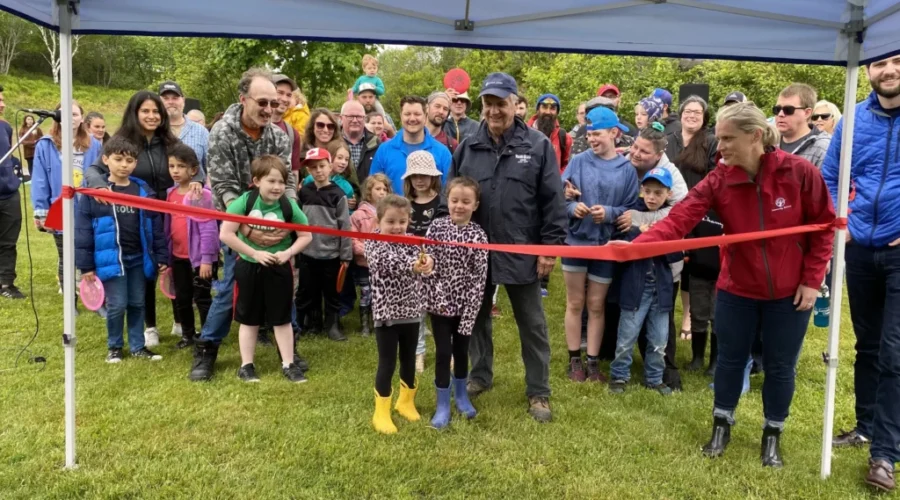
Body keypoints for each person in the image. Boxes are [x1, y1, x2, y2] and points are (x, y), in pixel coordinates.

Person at [631, 102, 834, 467]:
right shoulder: (720, 178)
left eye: (727, 139)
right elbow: (679, 219)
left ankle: (772, 434)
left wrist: (811, 280)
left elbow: (823, 229)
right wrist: (636, 247)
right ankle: (721, 425)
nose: (719, 146)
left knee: (780, 366)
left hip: (789, 293)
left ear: (755, 136)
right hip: (737, 289)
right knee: (729, 359)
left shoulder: (799, 172)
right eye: (719, 138)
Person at [451, 72, 567, 422]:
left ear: (516, 104)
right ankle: (480, 375)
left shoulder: (538, 145)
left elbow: (553, 200)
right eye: (488, 103)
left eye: (500, 103)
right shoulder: (468, 146)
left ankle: (539, 391)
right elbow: (452, 197)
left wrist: (549, 248)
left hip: (522, 249)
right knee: (475, 318)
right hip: (475, 252)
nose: (494, 110)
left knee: (532, 323)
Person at [822, 54, 900, 492]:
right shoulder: (853, 119)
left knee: (894, 351)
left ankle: (885, 454)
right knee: (867, 345)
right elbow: (831, 177)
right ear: (867, 71)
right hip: (860, 250)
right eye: (879, 63)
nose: (888, 70)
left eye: (897, 61)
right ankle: (867, 426)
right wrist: (843, 220)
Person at [190, 67, 294, 382]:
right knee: (230, 290)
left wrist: (287, 223)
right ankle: (207, 348)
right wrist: (249, 229)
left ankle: (289, 354)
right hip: (237, 225)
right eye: (262, 102)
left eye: (273, 103)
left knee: (282, 286)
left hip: (276, 226)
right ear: (243, 99)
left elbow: (288, 183)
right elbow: (224, 188)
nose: (269, 109)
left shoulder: (279, 135)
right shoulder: (222, 132)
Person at [85, 90, 199, 346]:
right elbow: (94, 169)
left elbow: (193, 165)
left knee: (172, 265)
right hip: (139, 217)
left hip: (170, 213)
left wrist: (198, 181)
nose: (151, 116)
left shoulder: (170, 141)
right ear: (134, 113)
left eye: (156, 111)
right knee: (146, 269)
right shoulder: (122, 142)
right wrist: (98, 185)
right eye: (145, 111)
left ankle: (180, 322)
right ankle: (150, 327)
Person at [75, 136, 169, 363]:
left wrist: (161, 255)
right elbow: (83, 231)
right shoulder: (95, 193)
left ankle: (138, 346)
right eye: (118, 159)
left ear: (135, 163)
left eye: (129, 160)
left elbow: (155, 226)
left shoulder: (143, 191)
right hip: (111, 260)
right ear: (106, 160)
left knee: (137, 303)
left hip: (138, 258)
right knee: (117, 305)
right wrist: (86, 266)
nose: (124, 165)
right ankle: (115, 346)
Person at [560, 106, 637, 383]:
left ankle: (593, 362)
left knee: (596, 304)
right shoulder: (578, 161)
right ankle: (574, 360)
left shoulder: (627, 169)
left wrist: (609, 213)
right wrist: (573, 208)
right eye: (589, 135)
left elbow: (630, 208)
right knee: (575, 301)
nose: (592, 139)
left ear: (614, 133)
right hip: (576, 242)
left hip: (606, 245)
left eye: (597, 134)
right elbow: (561, 195)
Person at [221, 155, 312, 383]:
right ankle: (246, 366)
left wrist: (288, 252)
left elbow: (306, 235)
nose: (277, 187)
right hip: (249, 266)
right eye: (271, 181)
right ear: (256, 181)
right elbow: (226, 234)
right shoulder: (244, 202)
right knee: (249, 318)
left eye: (281, 182)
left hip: (279, 268)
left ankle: (289, 363)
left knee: (282, 318)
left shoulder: (288, 206)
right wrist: (254, 253)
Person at [366, 194, 434, 434]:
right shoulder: (373, 242)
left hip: (412, 311)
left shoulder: (413, 241)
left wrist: (427, 262)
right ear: (379, 221)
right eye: (391, 221)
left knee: (408, 359)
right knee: (387, 362)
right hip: (387, 313)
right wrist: (413, 266)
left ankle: (405, 402)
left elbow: (423, 260)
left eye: (402, 222)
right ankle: (381, 411)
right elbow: (386, 262)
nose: (397, 227)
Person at [609, 167, 681, 395]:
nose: (652, 197)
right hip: (635, 288)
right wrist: (639, 234)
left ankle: (655, 378)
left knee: (659, 340)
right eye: (648, 191)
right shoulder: (630, 216)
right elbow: (618, 248)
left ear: (668, 194)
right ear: (641, 190)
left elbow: (676, 255)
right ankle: (619, 376)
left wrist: (658, 238)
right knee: (626, 336)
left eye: (658, 193)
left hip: (661, 289)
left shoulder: (671, 221)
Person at [424, 176, 489, 429]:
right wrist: (438, 296)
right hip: (439, 305)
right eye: (454, 200)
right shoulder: (436, 228)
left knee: (462, 351)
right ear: (447, 201)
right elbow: (429, 263)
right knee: (443, 352)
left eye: (466, 201)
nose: (459, 206)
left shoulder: (479, 235)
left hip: (466, 307)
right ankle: (442, 403)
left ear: (475, 205)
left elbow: (479, 278)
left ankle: (461, 395)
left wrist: (470, 311)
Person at [31, 101, 102, 293]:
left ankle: (89, 291)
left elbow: (100, 174)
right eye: (64, 114)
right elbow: (39, 179)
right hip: (60, 207)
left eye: (75, 114)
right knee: (65, 255)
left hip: (86, 208)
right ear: (56, 117)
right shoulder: (45, 144)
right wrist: (41, 211)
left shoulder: (94, 144)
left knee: (87, 250)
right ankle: (69, 297)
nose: (70, 118)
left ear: (82, 119)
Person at [665, 95, 718, 343]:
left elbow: (714, 176)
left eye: (697, 112)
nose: (692, 115)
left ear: (704, 117)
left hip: (698, 212)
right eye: (688, 111)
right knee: (672, 261)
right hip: (669, 209)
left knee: (692, 267)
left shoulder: (710, 142)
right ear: (681, 114)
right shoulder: (669, 139)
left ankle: (688, 317)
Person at [165, 143, 219, 349]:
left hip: (200, 260)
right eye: (171, 166)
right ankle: (188, 335)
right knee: (182, 297)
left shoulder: (200, 195)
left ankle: (207, 335)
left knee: (202, 297)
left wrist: (206, 259)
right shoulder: (170, 193)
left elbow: (209, 229)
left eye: (181, 166)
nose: (175, 171)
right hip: (178, 256)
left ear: (194, 170)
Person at [296, 148, 353, 342]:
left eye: (322, 166)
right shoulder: (304, 192)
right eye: (313, 167)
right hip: (308, 252)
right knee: (307, 290)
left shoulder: (338, 194)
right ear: (308, 171)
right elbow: (297, 220)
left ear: (330, 167)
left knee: (331, 291)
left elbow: (345, 226)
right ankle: (310, 323)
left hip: (331, 254)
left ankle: (332, 325)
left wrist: (346, 255)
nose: (318, 171)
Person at [403, 150, 448, 373]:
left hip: (438, 265)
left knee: (442, 311)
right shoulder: (404, 204)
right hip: (413, 265)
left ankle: (446, 352)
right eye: (415, 176)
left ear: (433, 177)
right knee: (416, 312)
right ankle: (418, 353)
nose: (419, 180)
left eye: (424, 175)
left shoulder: (442, 202)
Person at [369, 95, 452, 194]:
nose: (412, 118)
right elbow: (373, 190)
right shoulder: (384, 150)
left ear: (425, 116)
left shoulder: (442, 152)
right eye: (407, 114)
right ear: (401, 116)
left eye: (417, 114)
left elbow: (448, 192)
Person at [350, 173, 392, 336]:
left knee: (381, 292)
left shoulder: (390, 214)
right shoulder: (358, 215)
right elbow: (353, 239)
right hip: (365, 263)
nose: (382, 192)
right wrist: (368, 251)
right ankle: (365, 324)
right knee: (366, 292)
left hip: (383, 263)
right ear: (369, 191)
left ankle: (379, 321)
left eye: (384, 189)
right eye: (378, 189)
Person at [0, 84, 25, 300]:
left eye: (2, 99)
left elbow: (8, 154)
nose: (3, 104)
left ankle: (6, 283)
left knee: (8, 241)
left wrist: (14, 171)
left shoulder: (5, 127)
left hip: (8, 194)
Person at [774, 83, 831, 168]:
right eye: (777, 109)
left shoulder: (823, 148)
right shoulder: (768, 143)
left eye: (788, 110)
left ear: (807, 113)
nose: (780, 114)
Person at [159, 81, 209, 174]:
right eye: (165, 98)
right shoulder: (153, 131)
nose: (170, 102)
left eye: (175, 98)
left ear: (183, 100)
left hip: (196, 183)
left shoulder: (201, 131)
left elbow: (211, 168)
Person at [527, 93, 573, 173]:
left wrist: (558, 177)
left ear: (557, 112)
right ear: (538, 110)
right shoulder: (524, 133)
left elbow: (567, 164)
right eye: (544, 107)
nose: (548, 112)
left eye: (552, 108)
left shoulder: (564, 137)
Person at [339, 100, 380, 182]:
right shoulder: (332, 143)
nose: (355, 120)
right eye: (350, 116)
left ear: (364, 118)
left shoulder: (377, 144)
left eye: (359, 116)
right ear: (341, 118)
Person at [272, 74, 304, 174]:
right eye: (280, 93)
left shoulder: (292, 134)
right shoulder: (254, 126)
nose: (285, 99)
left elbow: (294, 172)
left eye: (289, 95)